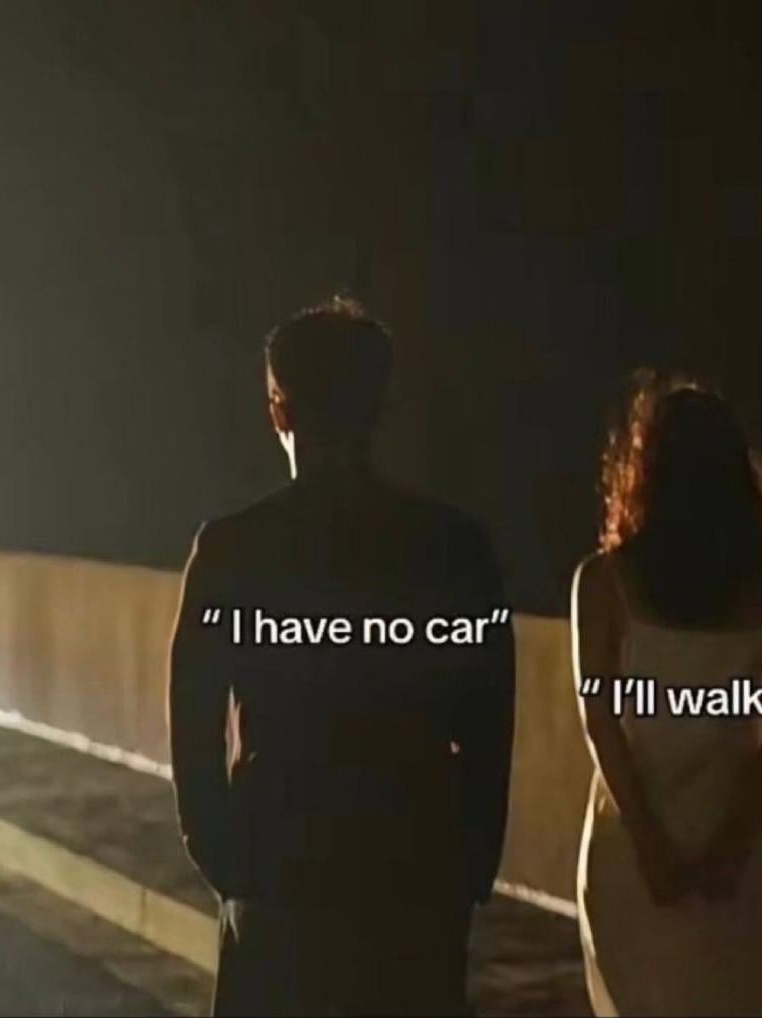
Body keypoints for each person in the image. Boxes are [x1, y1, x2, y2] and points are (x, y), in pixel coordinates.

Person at [167, 297, 515, 1016]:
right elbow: (490, 722)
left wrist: (224, 856)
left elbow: (193, 717)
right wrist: (468, 867)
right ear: (378, 407)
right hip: (412, 875)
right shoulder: (453, 548)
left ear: (279, 409)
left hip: (278, 873)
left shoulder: (232, 548)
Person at [571, 376, 762, 1017]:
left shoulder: (602, 583)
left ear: (644, 471)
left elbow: (600, 719)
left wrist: (650, 845)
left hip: (632, 847)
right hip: (740, 847)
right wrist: (733, 843)